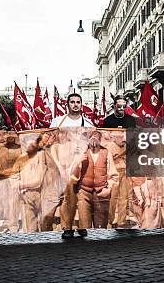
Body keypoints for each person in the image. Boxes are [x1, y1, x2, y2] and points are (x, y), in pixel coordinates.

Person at [50, 93, 94, 239]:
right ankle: (67, 227)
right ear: (67, 104)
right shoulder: (58, 122)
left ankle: (82, 225)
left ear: (81, 104)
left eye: (78, 102)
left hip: (83, 163)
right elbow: (51, 140)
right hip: (63, 163)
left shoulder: (88, 123)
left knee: (81, 196)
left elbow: (94, 142)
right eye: (72, 102)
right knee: (67, 197)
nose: (75, 104)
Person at [71, 130, 119, 230]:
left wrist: (108, 189)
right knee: (84, 228)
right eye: (91, 136)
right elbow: (73, 177)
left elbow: (114, 176)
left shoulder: (106, 153)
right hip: (84, 193)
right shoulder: (81, 153)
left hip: (101, 194)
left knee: (101, 228)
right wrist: (78, 162)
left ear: (100, 139)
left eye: (96, 136)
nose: (94, 138)